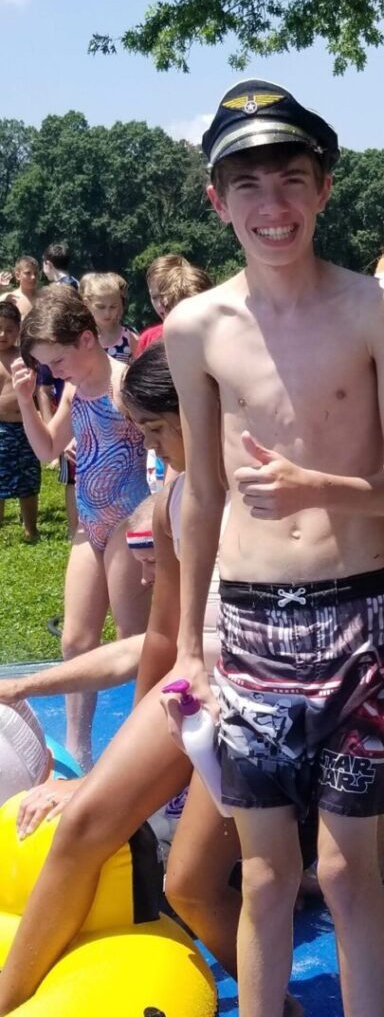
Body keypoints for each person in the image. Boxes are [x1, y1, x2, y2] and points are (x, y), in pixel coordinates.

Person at [161, 79, 384, 1017]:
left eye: (292, 180)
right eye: (249, 186)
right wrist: (191, 642)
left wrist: (322, 487)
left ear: (325, 188)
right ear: (216, 199)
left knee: (351, 873)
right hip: (254, 624)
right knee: (267, 877)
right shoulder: (196, 328)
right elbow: (203, 494)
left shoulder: (377, 311)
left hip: (358, 616)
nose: (272, 208)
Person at [0, 343, 304, 1017]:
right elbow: (164, 639)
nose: (150, 446)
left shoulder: (281, 488)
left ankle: (278, 1006)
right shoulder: (174, 498)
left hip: (269, 701)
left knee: (191, 886)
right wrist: (117, 766)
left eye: (159, 430)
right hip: (196, 691)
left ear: (207, 410)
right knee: (83, 823)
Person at [11, 286, 150, 769]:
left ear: (87, 340)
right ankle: (78, 748)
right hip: (88, 522)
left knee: (135, 639)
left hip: (128, 519)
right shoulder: (74, 388)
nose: (55, 371)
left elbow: (162, 447)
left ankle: (144, 748)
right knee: (75, 640)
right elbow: (49, 450)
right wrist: (28, 401)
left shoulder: (124, 385)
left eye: (58, 361)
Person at [0, 300, 40, 540]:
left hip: (25, 427)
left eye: (10, 329)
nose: (3, 334)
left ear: (19, 330)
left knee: (28, 479)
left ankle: (30, 528)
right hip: (0, 428)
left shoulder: (25, 356)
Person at [135, 254, 213, 356]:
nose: (161, 305)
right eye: (154, 297)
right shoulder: (148, 339)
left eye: (166, 295)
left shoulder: (212, 333)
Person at [79, 271, 136, 361]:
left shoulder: (129, 338)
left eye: (113, 307)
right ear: (86, 303)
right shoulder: (80, 338)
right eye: (101, 307)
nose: (107, 313)